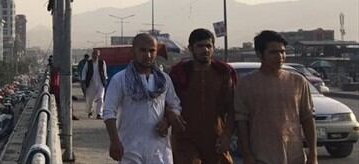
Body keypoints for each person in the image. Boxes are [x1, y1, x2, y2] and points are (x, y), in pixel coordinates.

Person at [234, 30, 317, 164]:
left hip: (294, 156)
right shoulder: (246, 84)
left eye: (282, 52)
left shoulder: (298, 81)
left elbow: (307, 118)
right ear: (260, 54)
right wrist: (247, 155)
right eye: (273, 52)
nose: (280, 56)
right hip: (261, 156)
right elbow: (241, 122)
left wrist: (313, 154)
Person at [103, 33, 183, 163]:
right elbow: (108, 112)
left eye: (152, 51)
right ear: (133, 52)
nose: (148, 55)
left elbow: (175, 105)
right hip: (130, 147)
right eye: (143, 50)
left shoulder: (164, 80)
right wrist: (114, 141)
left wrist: (168, 120)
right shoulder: (120, 79)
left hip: (159, 149)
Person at [169, 28, 236, 164]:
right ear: (190, 48)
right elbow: (166, 103)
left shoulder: (223, 74)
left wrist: (227, 136)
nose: (205, 50)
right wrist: (170, 113)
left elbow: (233, 108)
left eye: (208, 46)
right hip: (185, 140)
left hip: (215, 138)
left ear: (213, 48)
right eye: (200, 46)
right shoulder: (179, 74)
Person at [81, 49, 109, 118]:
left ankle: (99, 113)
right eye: (94, 54)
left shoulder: (102, 62)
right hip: (91, 83)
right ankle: (90, 112)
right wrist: (83, 80)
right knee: (90, 99)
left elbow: (104, 72)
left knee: (101, 98)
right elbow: (84, 72)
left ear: (98, 55)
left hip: (100, 83)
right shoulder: (88, 63)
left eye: (96, 54)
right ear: (92, 55)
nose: (95, 56)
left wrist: (105, 81)